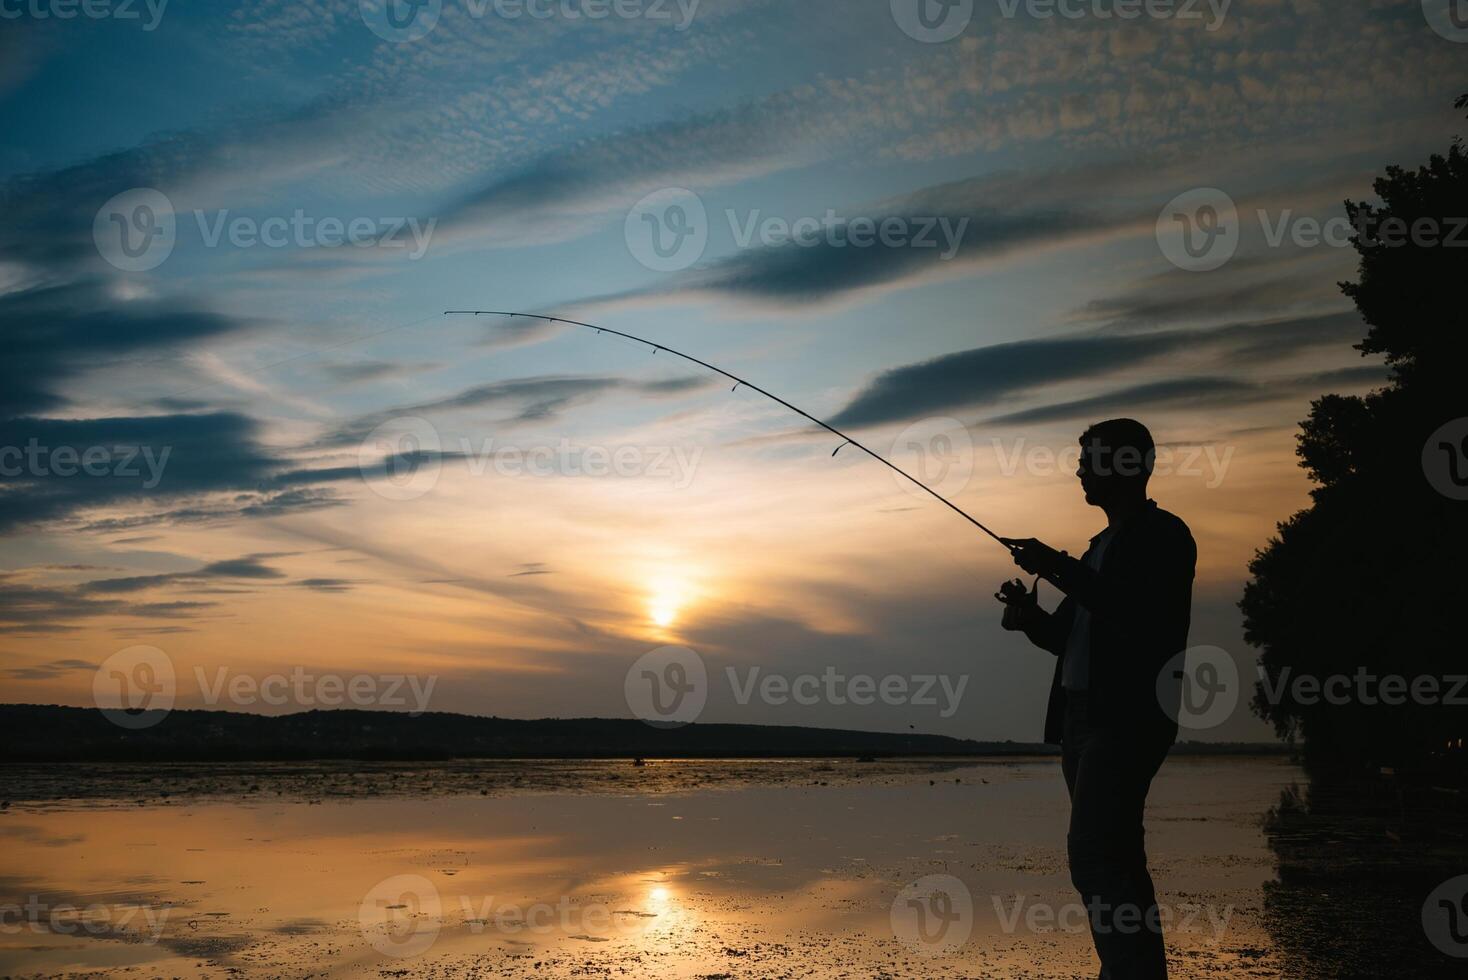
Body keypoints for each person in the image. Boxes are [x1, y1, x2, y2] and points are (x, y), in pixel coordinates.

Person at [995, 418, 1195, 980]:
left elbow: (1129, 609)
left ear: (1122, 466)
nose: (1079, 469)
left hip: (1127, 718)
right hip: (1081, 721)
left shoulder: (1163, 536)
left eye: (1088, 460)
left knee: (1095, 855)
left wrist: (1054, 565)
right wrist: (1028, 614)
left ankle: (1128, 971)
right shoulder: (1098, 547)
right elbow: (1066, 637)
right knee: (1116, 857)